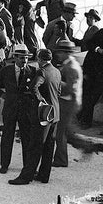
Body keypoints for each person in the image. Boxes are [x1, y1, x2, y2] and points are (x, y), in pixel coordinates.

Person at [12, 48, 62, 184]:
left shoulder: (42, 72)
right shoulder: (56, 71)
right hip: (55, 113)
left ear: (40, 60)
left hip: (44, 113)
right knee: (49, 146)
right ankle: (44, 175)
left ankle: (25, 177)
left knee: (35, 145)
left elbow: (34, 87)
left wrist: (41, 99)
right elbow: (58, 92)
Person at [0, 44, 40, 178]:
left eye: (26, 58)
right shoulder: (7, 70)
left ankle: (28, 166)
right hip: (10, 109)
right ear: (15, 58)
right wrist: (1, 94)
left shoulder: (33, 70)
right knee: (7, 136)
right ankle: (4, 165)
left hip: (26, 110)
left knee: (27, 138)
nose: (24, 61)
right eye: (21, 58)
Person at [52, 39, 82, 167]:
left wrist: (56, 82)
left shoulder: (70, 67)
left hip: (68, 103)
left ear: (66, 53)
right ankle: (86, 147)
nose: (59, 54)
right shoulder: (70, 64)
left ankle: (61, 160)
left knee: (60, 132)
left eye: (61, 52)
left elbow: (70, 88)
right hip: (69, 102)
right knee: (66, 131)